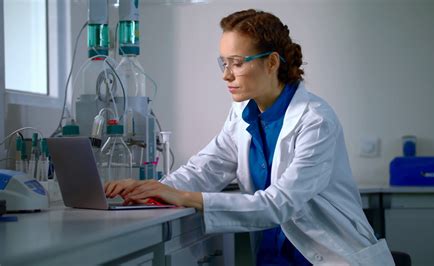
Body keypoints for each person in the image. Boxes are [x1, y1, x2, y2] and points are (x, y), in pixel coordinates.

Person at [105, 9, 395, 266]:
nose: (226, 76)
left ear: (271, 62)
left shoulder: (315, 120)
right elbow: (207, 167)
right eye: (224, 63)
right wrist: (150, 190)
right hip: (273, 256)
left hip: (329, 256)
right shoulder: (243, 112)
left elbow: (280, 203)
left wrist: (183, 197)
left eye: (237, 63)